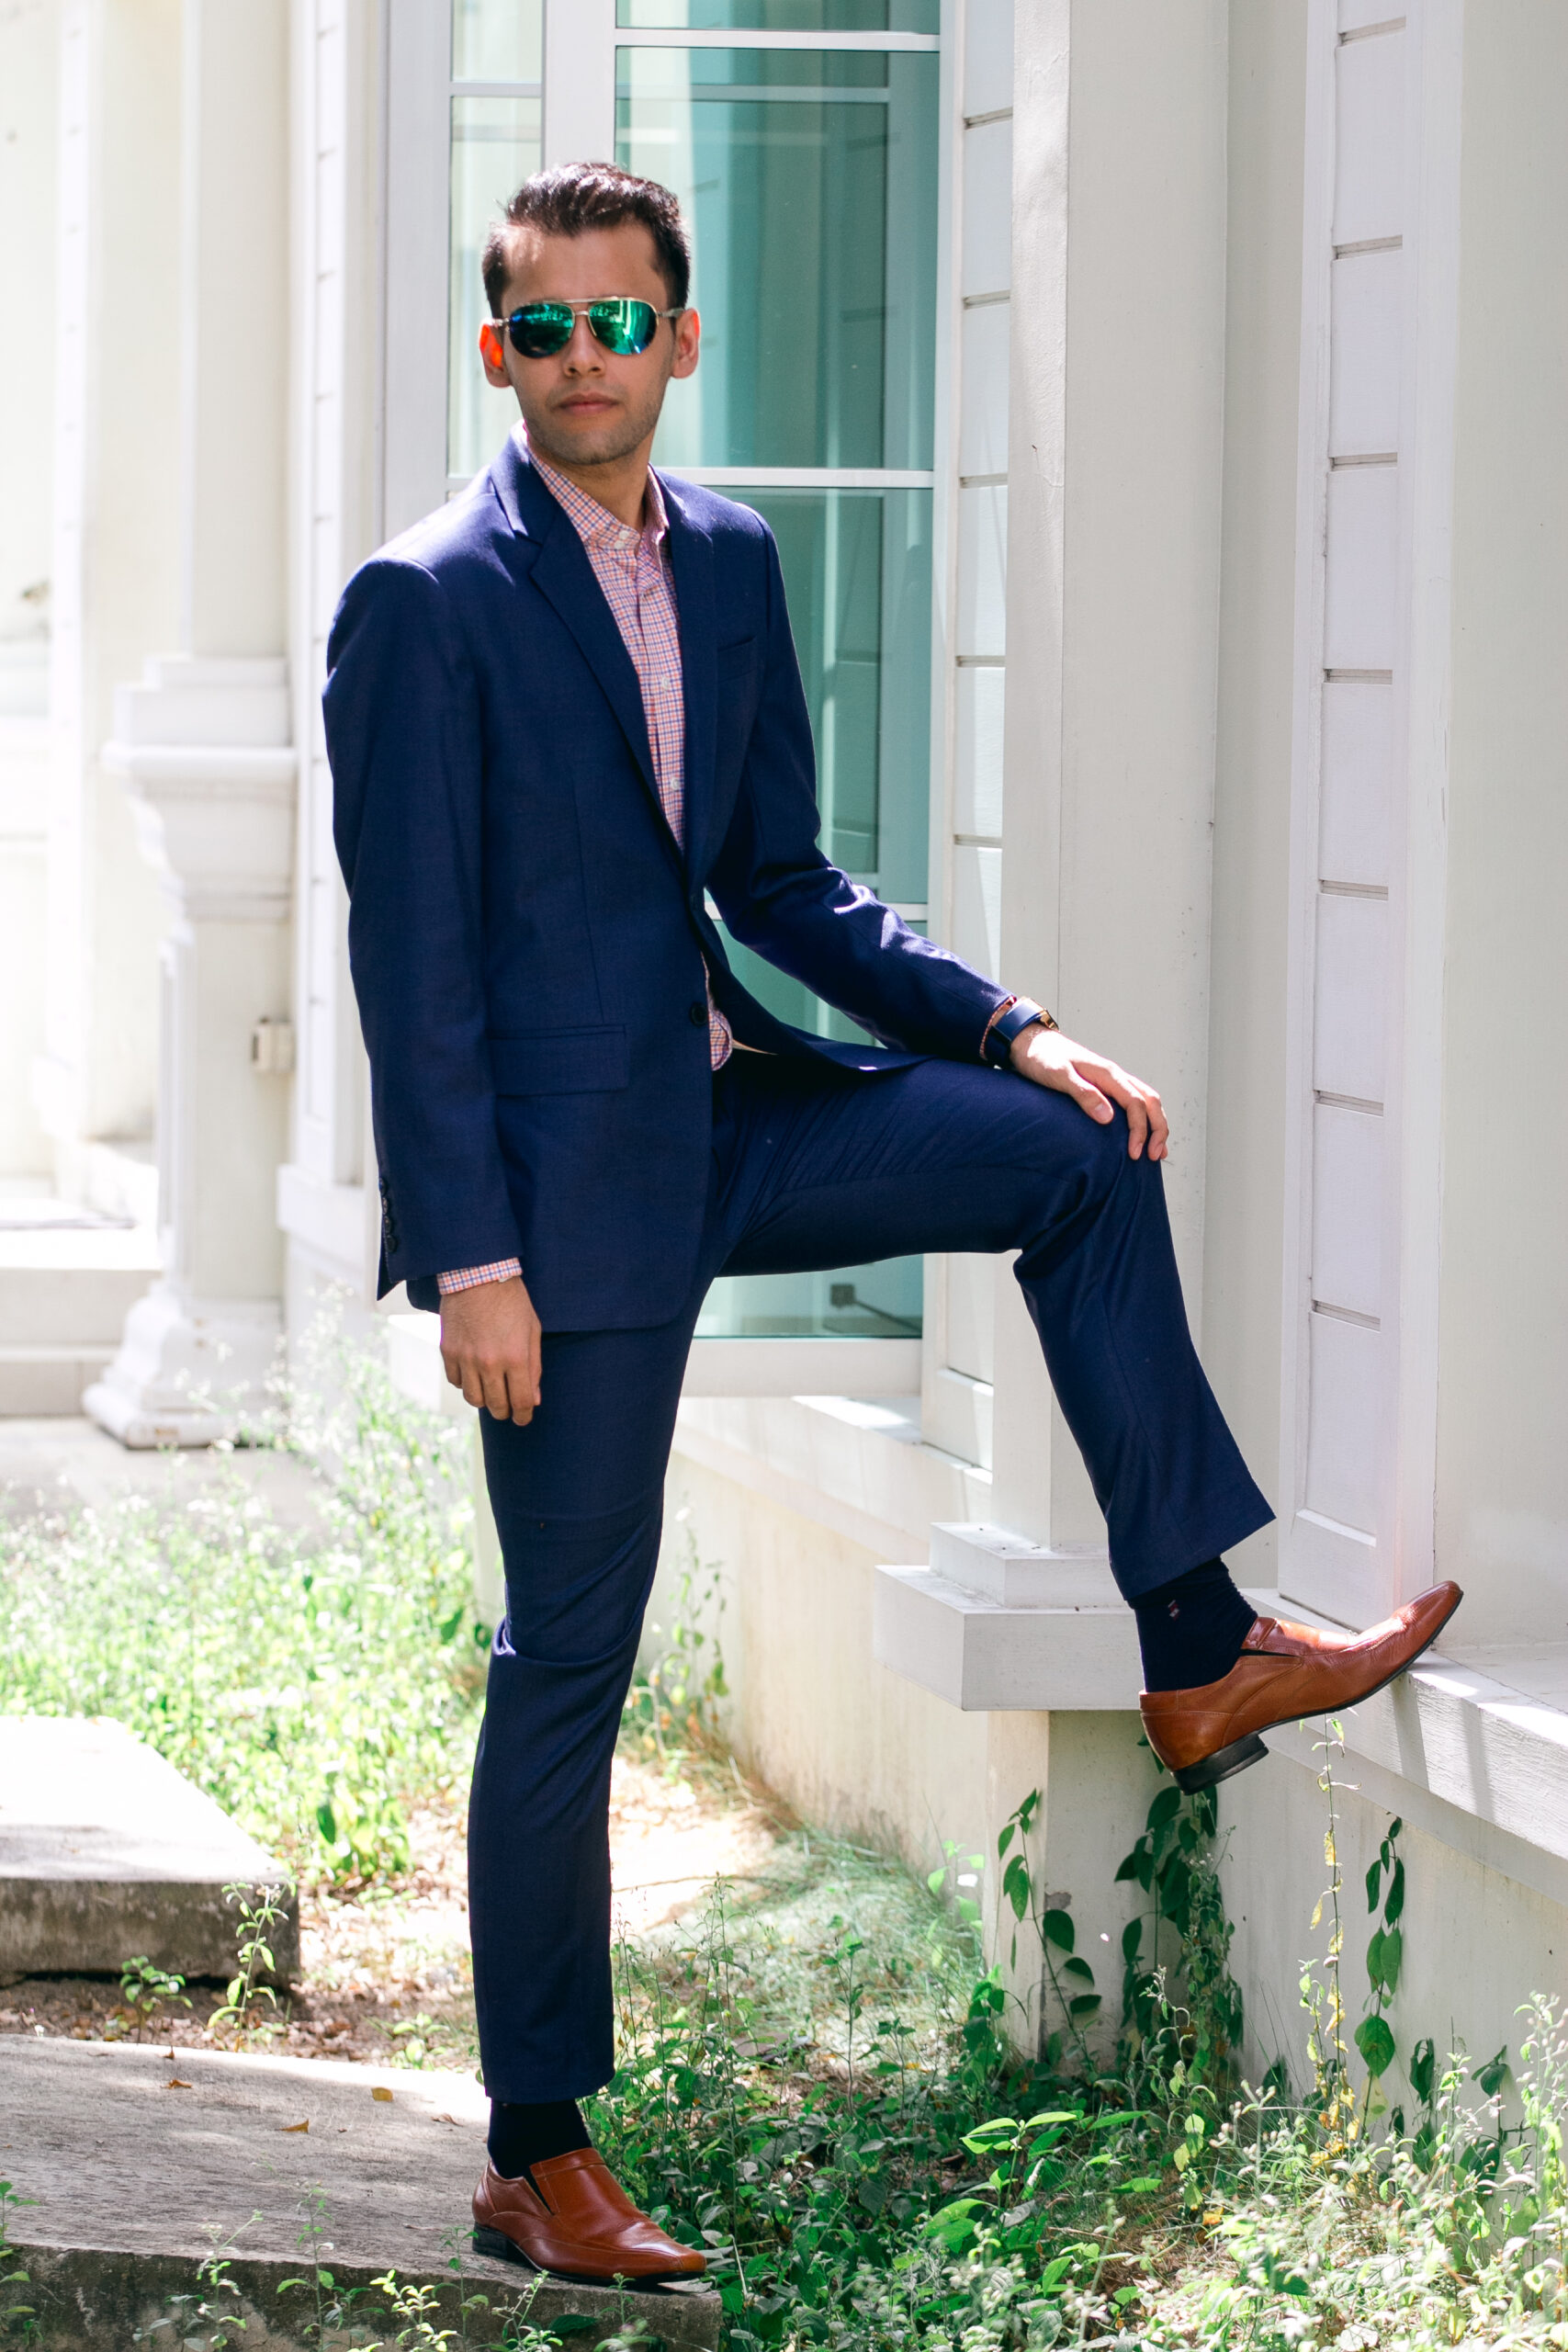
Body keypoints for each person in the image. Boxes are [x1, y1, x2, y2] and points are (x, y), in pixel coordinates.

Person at [325, 162, 1460, 2286]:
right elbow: (416, 962)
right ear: (499, 353)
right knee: (569, 1650)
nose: (581, 357)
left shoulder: (732, 565)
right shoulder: (426, 597)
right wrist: (467, 1255)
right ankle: (537, 2143)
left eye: (616, 318)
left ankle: (1199, 1647)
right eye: (539, 327)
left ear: (681, 335)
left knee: (1070, 1153)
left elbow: (783, 887)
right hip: (561, 1212)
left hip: (735, 1113)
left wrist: (1011, 1027)